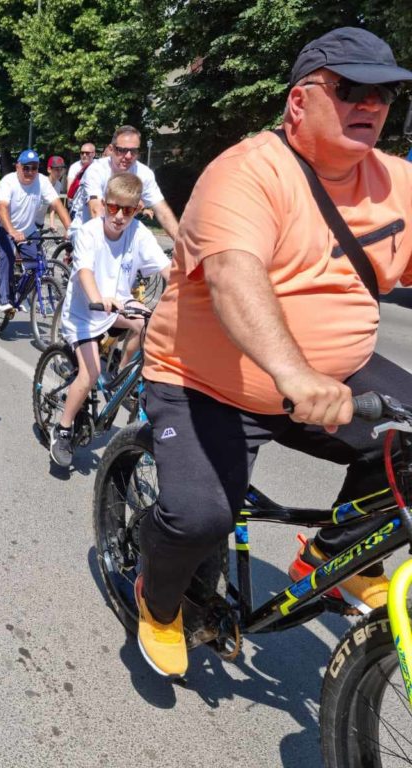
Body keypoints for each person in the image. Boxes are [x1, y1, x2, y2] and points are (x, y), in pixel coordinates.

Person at [135, 27, 412, 678]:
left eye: (386, 93)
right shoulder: (245, 172)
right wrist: (291, 371)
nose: (370, 104)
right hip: (204, 382)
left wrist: (311, 375)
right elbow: (235, 275)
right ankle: (161, 598)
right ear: (298, 103)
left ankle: (334, 554)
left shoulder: (397, 184)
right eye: (350, 89)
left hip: (332, 376)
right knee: (201, 514)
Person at [49, 172, 170, 467]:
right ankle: (62, 429)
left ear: (136, 210)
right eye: (113, 208)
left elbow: (168, 270)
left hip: (120, 304)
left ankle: (121, 375)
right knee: (89, 374)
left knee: (146, 326)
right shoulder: (89, 232)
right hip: (84, 313)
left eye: (127, 210)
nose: (118, 216)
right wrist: (99, 298)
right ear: (104, 204)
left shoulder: (139, 232)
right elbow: (85, 272)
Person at [0, 149, 71, 312]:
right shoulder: (8, 181)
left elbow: (57, 204)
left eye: (34, 168)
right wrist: (11, 231)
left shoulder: (42, 182)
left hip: (28, 229)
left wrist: (71, 229)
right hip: (2, 226)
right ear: (18, 166)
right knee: (7, 256)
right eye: (26, 167)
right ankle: (3, 298)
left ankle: (21, 293)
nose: (30, 172)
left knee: (36, 264)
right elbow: (2, 208)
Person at [76, 126, 178, 243]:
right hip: (88, 231)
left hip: (121, 232)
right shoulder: (96, 170)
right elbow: (96, 210)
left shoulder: (144, 173)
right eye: (122, 150)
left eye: (133, 151)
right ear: (111, 149)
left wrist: (183, 246)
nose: (128, 156)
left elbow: (162, 212)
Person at [65, 142, 96, 221]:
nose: (84, 155)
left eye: (87, 153)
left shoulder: (98, 166)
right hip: (77, 210)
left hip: (92, 209)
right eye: (82, 153)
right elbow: (69, 191)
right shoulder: (74, 167)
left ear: (93, 154)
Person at [43, 154, 66, 229]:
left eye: (61, 169)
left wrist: (52, 223)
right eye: (56, 169)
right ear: (49, 169)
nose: (59, 172)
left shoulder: (58, 185)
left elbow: (53, 206)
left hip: (40, 221)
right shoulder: (42, 182)